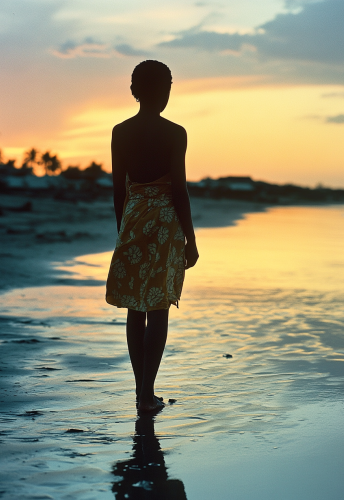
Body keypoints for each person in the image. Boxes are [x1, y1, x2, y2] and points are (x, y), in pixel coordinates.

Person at [106, 60, 199, 412]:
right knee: (158, 306)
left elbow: (118, 190)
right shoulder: (176, 133)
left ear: (135, 89)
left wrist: (122, 230)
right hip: (164, 222)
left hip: (132, 220)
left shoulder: (120, 131)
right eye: (169, 85)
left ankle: (139, 392)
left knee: (135, 306)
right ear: (164, 90)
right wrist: (190, 238)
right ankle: (148, 393)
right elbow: (179, 190)